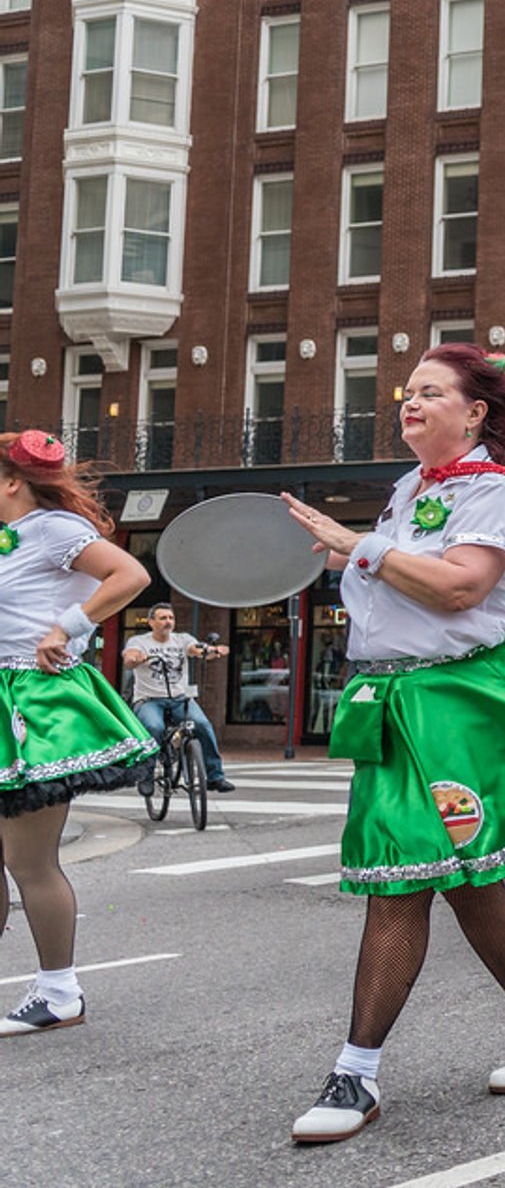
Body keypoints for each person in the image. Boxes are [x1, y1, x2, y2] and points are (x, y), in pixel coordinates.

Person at [279, 348, 505, 1142]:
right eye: (406, 393)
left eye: (430, 392)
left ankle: (355, 1074)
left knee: (404, 881)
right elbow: (402, 584)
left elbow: (460, 586)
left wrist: (367, 550)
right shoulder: (408, 491)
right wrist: (363, 553)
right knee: (465, 880)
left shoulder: (490, 491)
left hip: (457, 704)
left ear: (475, 411)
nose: (409, 403)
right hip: (398, 702)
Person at [0, 430, 156, 1035]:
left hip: (34, 702)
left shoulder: (55, 529)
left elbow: (129, 575)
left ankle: (59, 991)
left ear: (13, 481)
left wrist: (66, 628)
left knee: (28, 861)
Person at [122, 602, 235, 793]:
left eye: (171, 618)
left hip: (180, 699)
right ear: (151, 622)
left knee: (202, 725)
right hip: (149, 700)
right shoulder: (139, 642)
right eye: (163, 618)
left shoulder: (182, 639)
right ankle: (146, 776)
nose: (168, 622)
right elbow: (129, 658)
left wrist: (214, 651)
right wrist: (135, 659)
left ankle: (215, 777)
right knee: (153, 727)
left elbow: (197, 650)